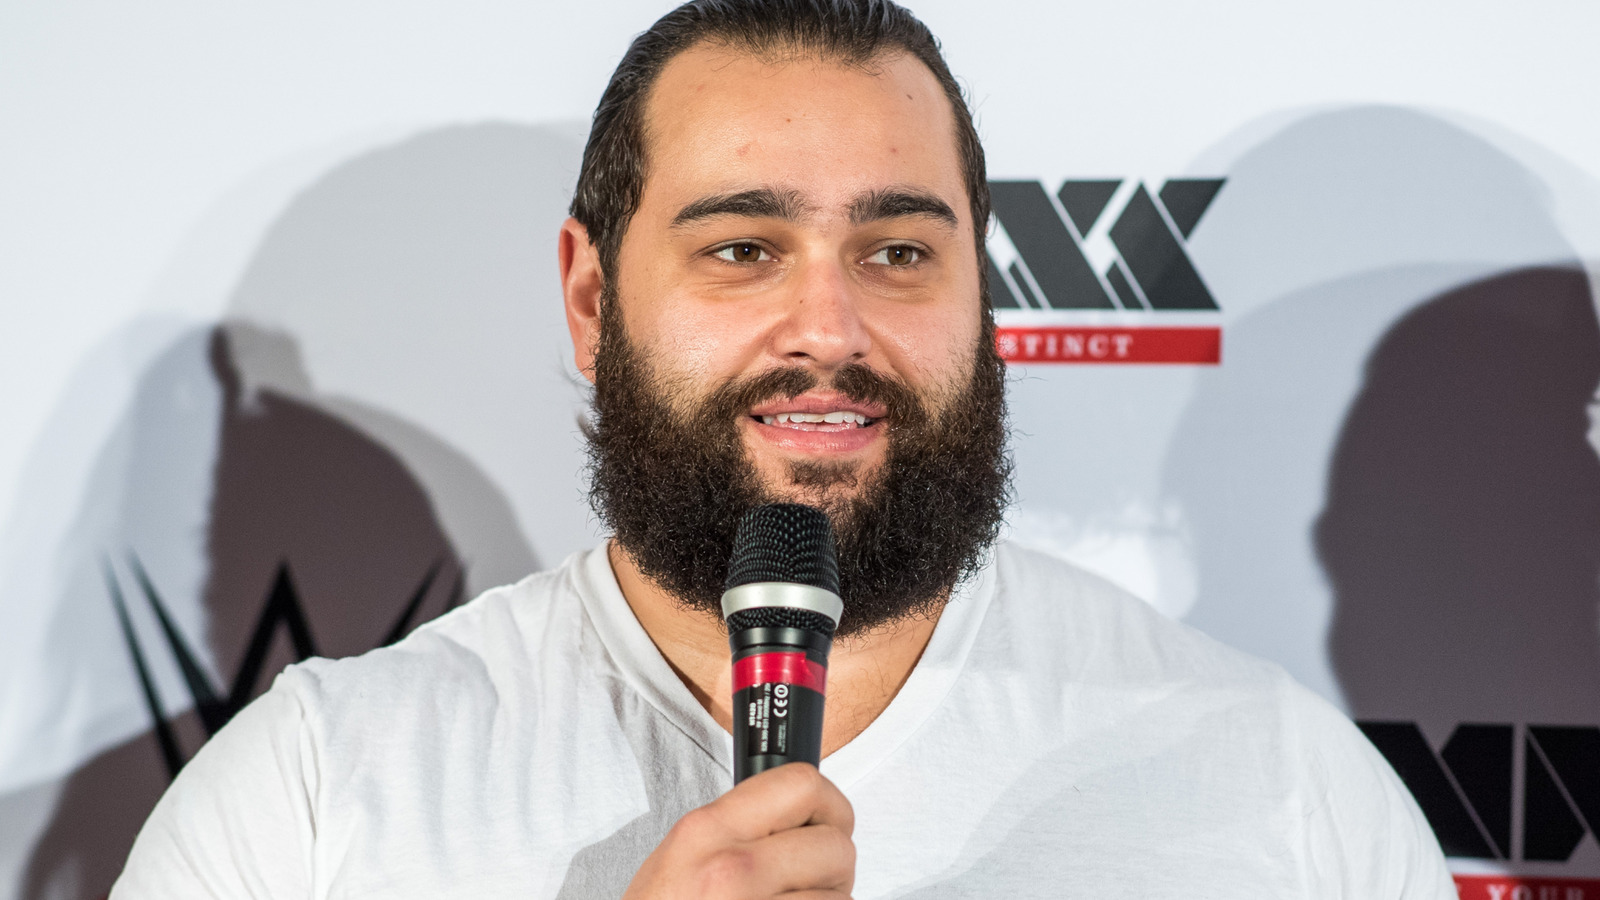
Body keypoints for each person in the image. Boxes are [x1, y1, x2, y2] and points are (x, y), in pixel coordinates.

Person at [113, 1, 1455, 896]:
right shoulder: (313, 795)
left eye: (898, 252)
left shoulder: (1286, 790)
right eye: (743, 248)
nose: (829, 328)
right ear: (591, 300)